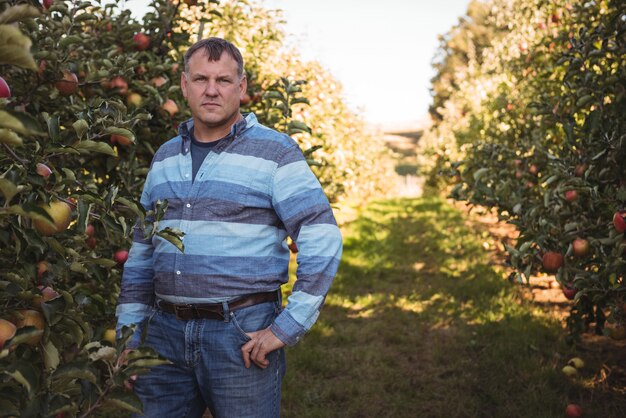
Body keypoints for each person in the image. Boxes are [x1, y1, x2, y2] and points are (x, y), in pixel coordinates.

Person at [115, 37, 343, 418]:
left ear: (242, 88)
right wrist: (129, 334)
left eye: (223, 80)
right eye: (200, 79)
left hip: (241, 333)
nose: (211, 90)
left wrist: (286, 327)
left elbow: (321, 235)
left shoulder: (276, 153)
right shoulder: (165, 157)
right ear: (184, 85)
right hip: (163, 335)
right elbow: (142, 251)